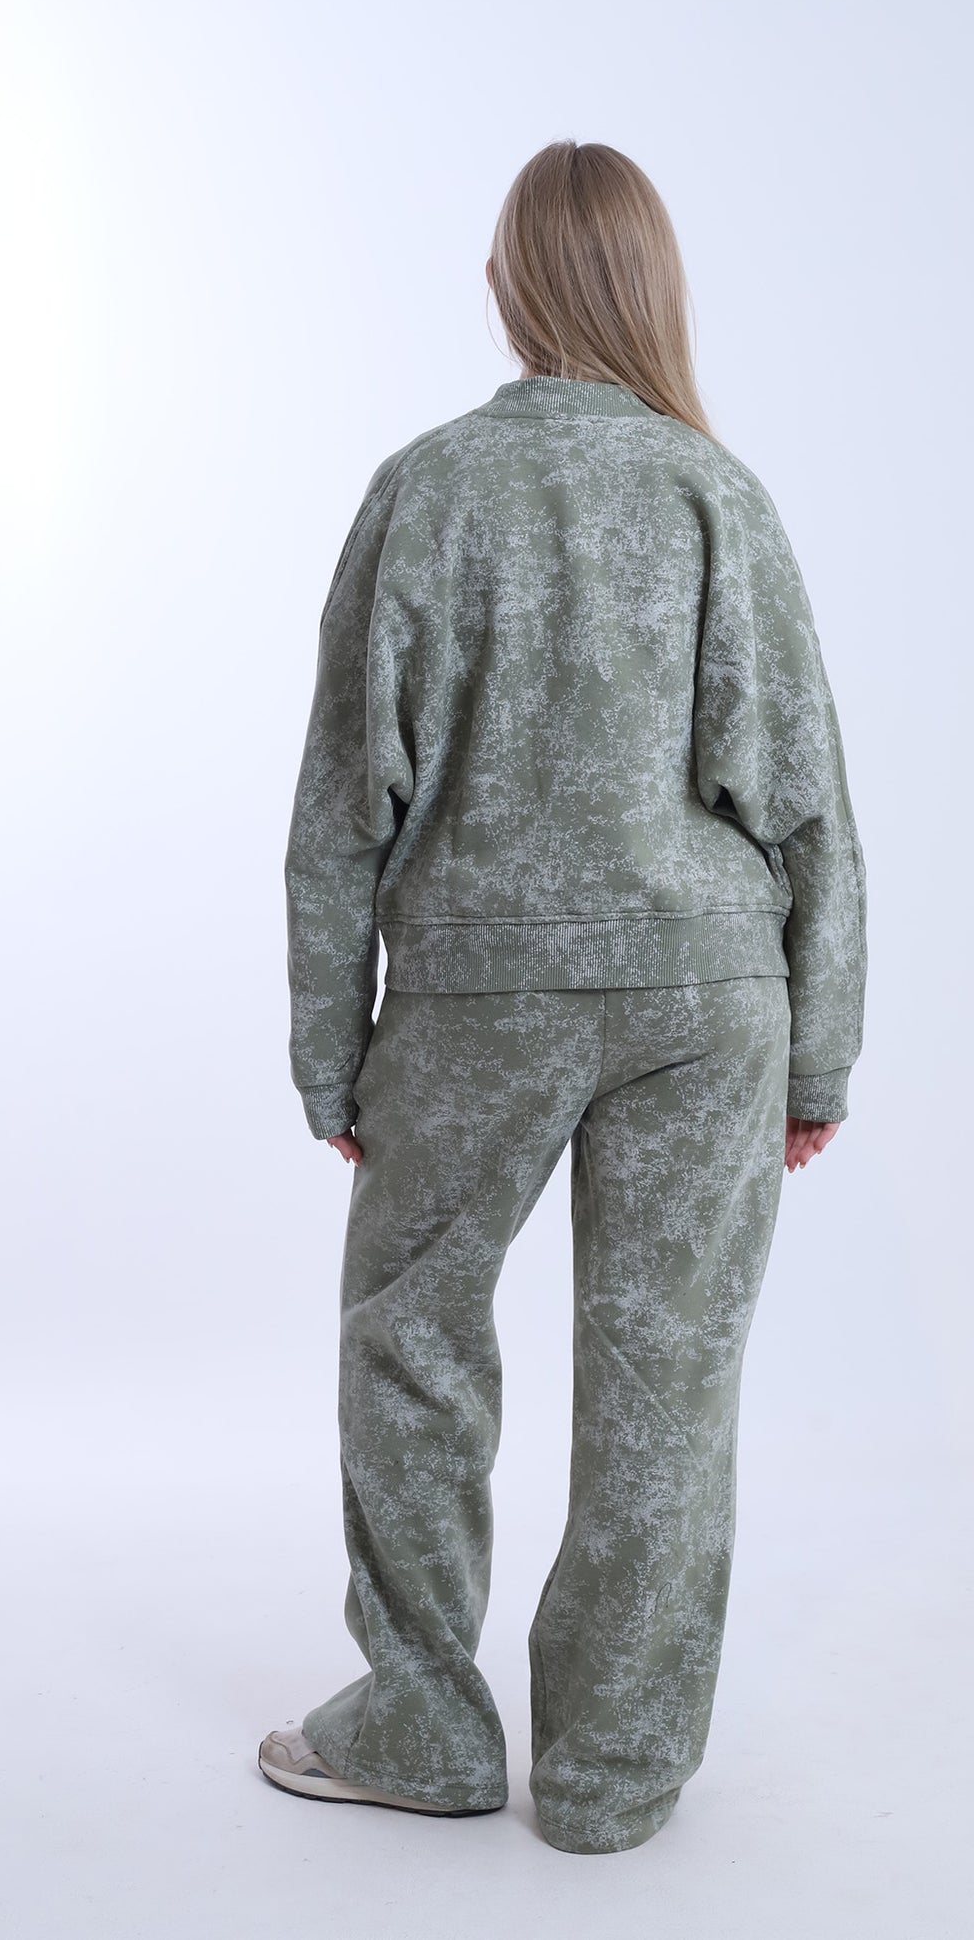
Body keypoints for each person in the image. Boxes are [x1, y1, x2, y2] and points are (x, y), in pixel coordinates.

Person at [261, 139, 867, 1857]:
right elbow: (804, 800)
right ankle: (609, 1776)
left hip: (475, 993)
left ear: (503, 287)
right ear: (655, 288)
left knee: (412, 1335)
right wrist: (817, 1050)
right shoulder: (714, 494)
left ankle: (421, 1722)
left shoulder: (425, 490)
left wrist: (331, 1053)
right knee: (668, 1377)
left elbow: (341, 804)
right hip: (706, 995)